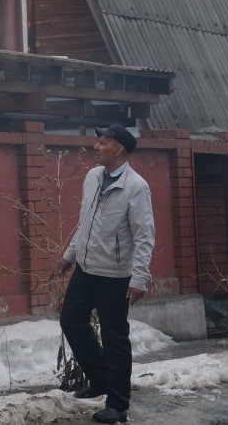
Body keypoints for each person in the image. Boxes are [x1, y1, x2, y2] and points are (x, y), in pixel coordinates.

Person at [52, 123, 155, 424]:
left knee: (115, 338)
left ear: (119, 148)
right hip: (86, 268)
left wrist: (139, 277)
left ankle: (118, 405)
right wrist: (69, 257)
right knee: (71, 321)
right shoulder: (92, 177)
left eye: (102, 142)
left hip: (115, 275)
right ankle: (100, 379)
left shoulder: (136, 187)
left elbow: (144, 236)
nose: (95, 146)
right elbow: (86, 223)